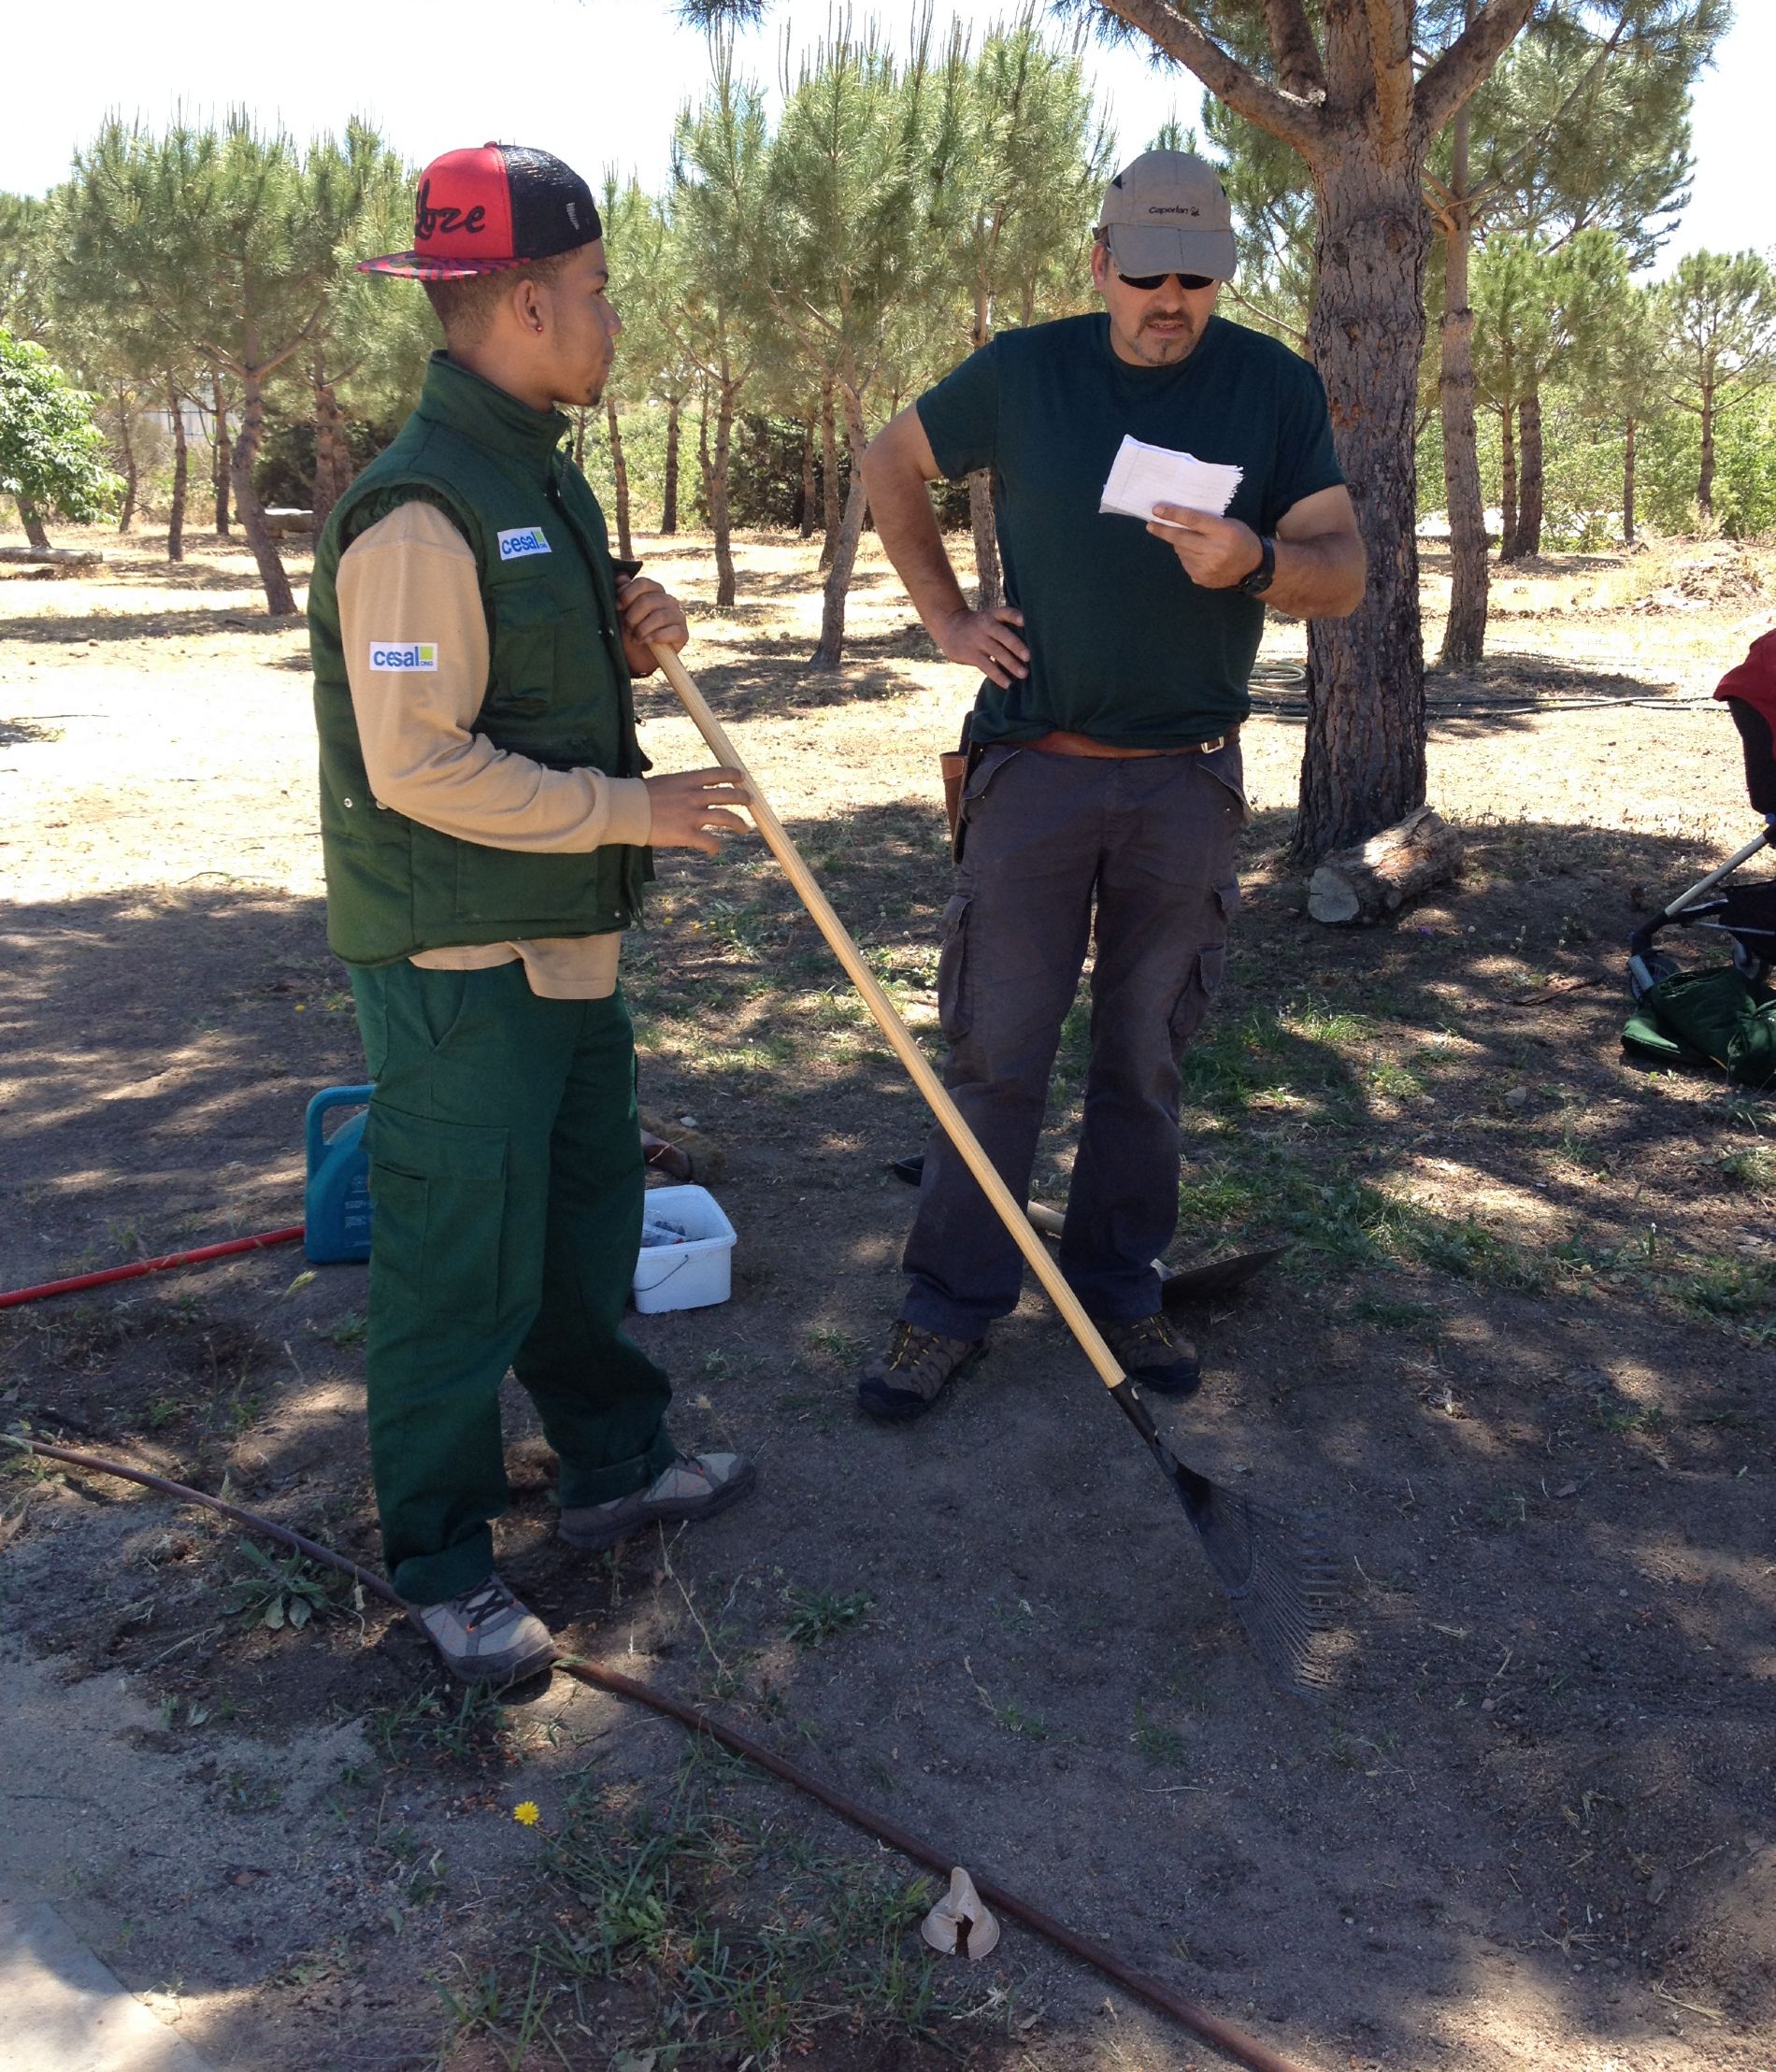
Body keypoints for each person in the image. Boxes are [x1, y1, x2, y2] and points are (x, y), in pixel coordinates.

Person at [308, 143, 757, 1683]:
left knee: (584, 1226)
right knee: (458, 1262)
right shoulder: (419, 511)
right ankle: (441, 1559)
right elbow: (418, 759)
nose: (613, 320)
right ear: (519, 299)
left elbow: (536, 672)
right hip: (462, 957)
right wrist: (637, 810)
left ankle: (614, 1467)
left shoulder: (533, 468)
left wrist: (637, 629)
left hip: (563, 938)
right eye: (598, 293)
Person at [854, 150, 1365, 1420]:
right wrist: (949, 617)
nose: (1171, 299)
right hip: (1036, 768)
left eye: (1197, 276)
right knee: (995, 1048)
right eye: (1147, 274)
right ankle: (947, 1306)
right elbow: (886, 463)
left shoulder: (1272, 386)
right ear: (1102, 261)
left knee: (1145, 1054)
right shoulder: (1026, 371)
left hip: (1187, 782)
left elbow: (1343, 570)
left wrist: (1252, 559)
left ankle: (1117, 1289)